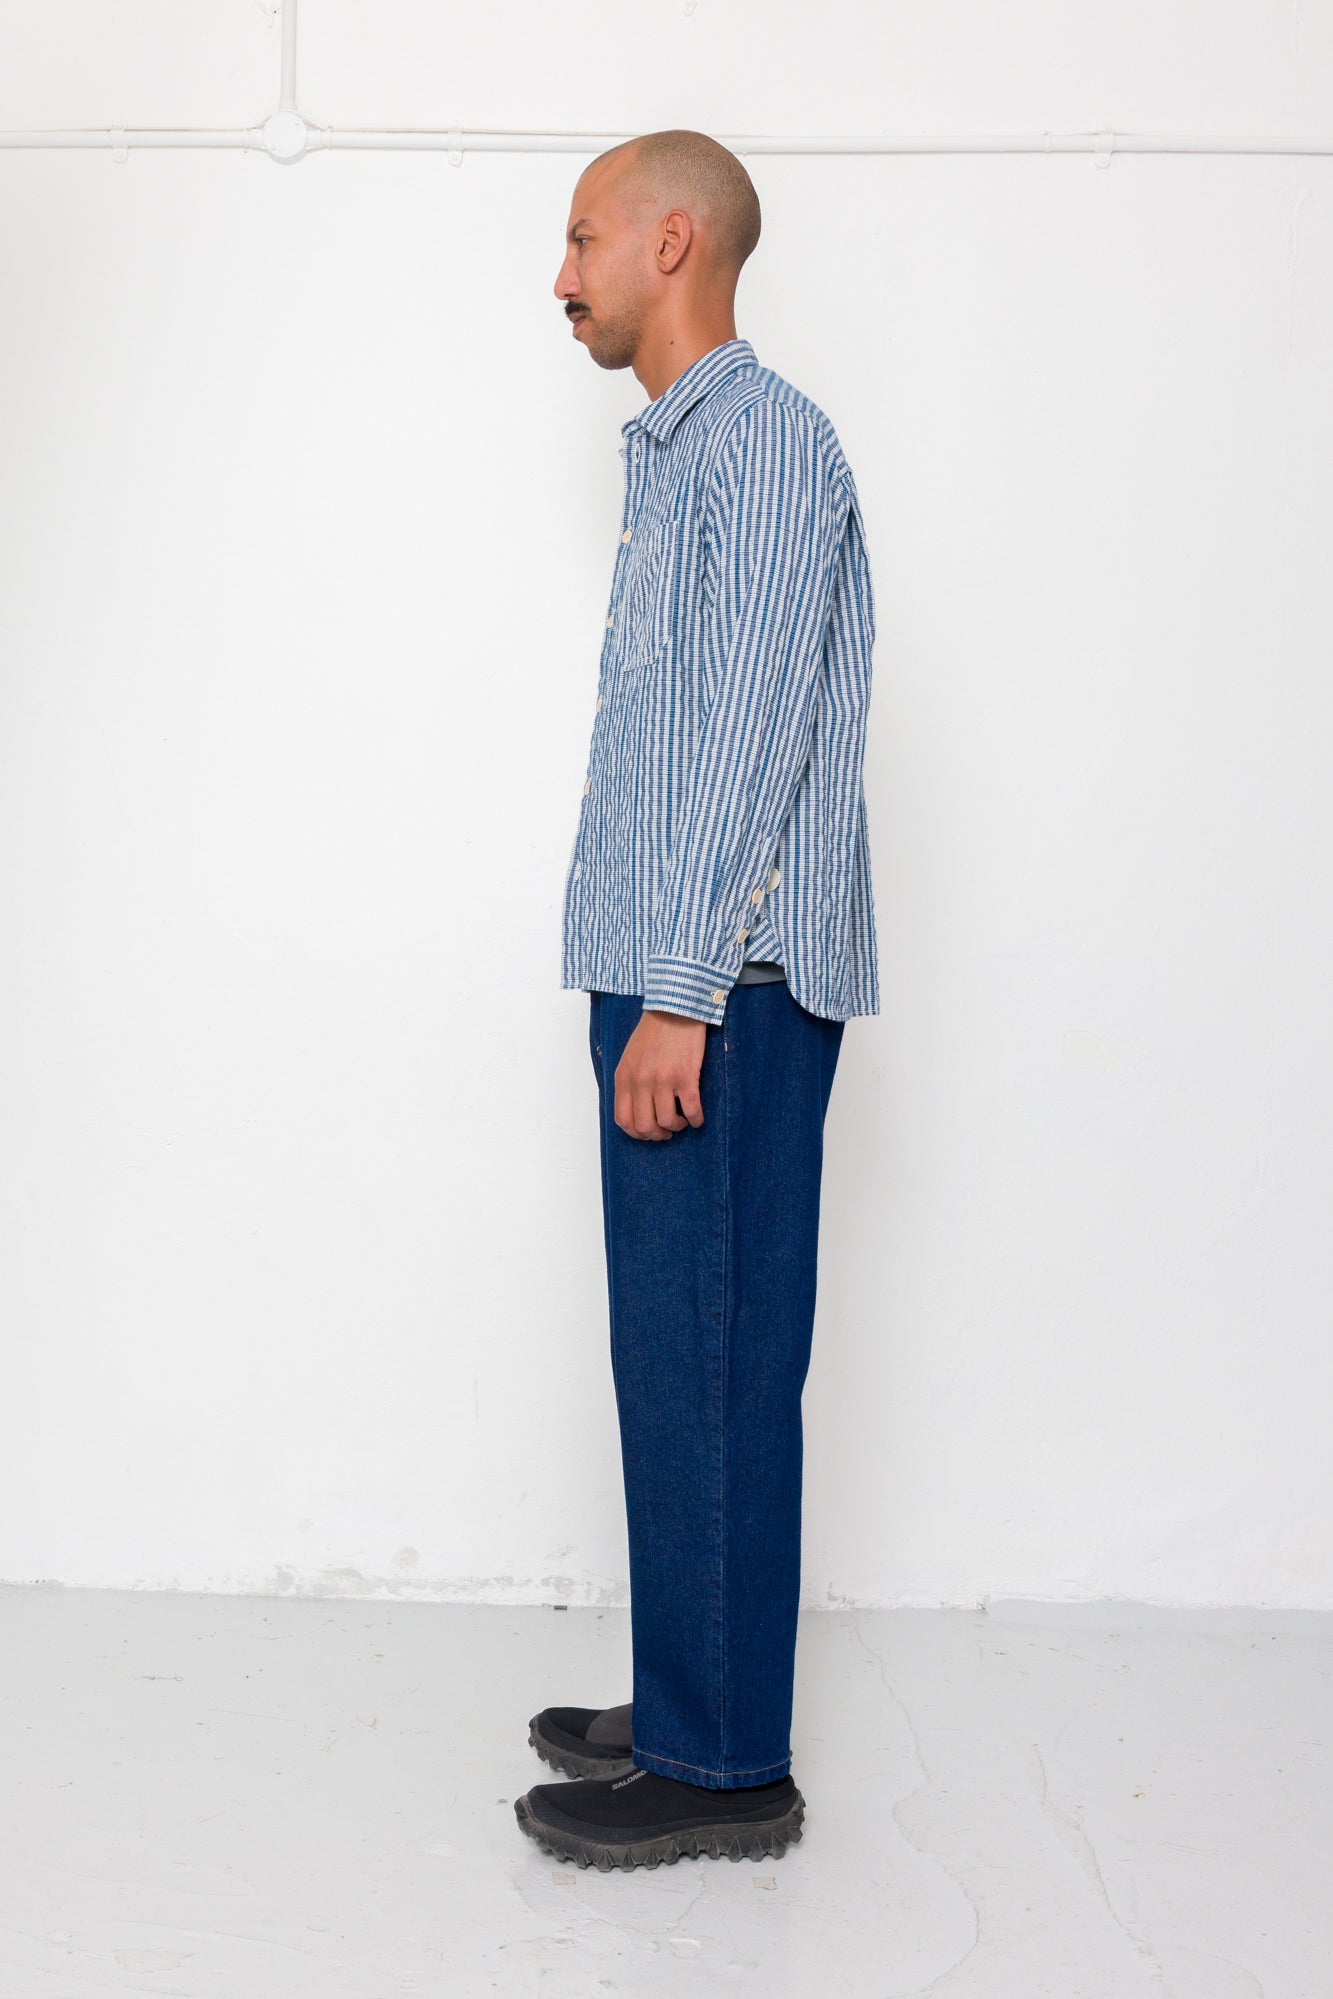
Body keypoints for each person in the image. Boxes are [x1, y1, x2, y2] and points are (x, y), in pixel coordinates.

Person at [513, 128, 880, 1873]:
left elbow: (747, 742)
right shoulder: (680, 460)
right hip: (668, 977)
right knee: (673, 1362)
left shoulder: (767, 448)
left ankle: (727, 1771)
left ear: (674, 241)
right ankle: (688, 1698)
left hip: (713, 991)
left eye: (581, 238)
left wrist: (678, 1001)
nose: (559, 274)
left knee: (719, 1363)